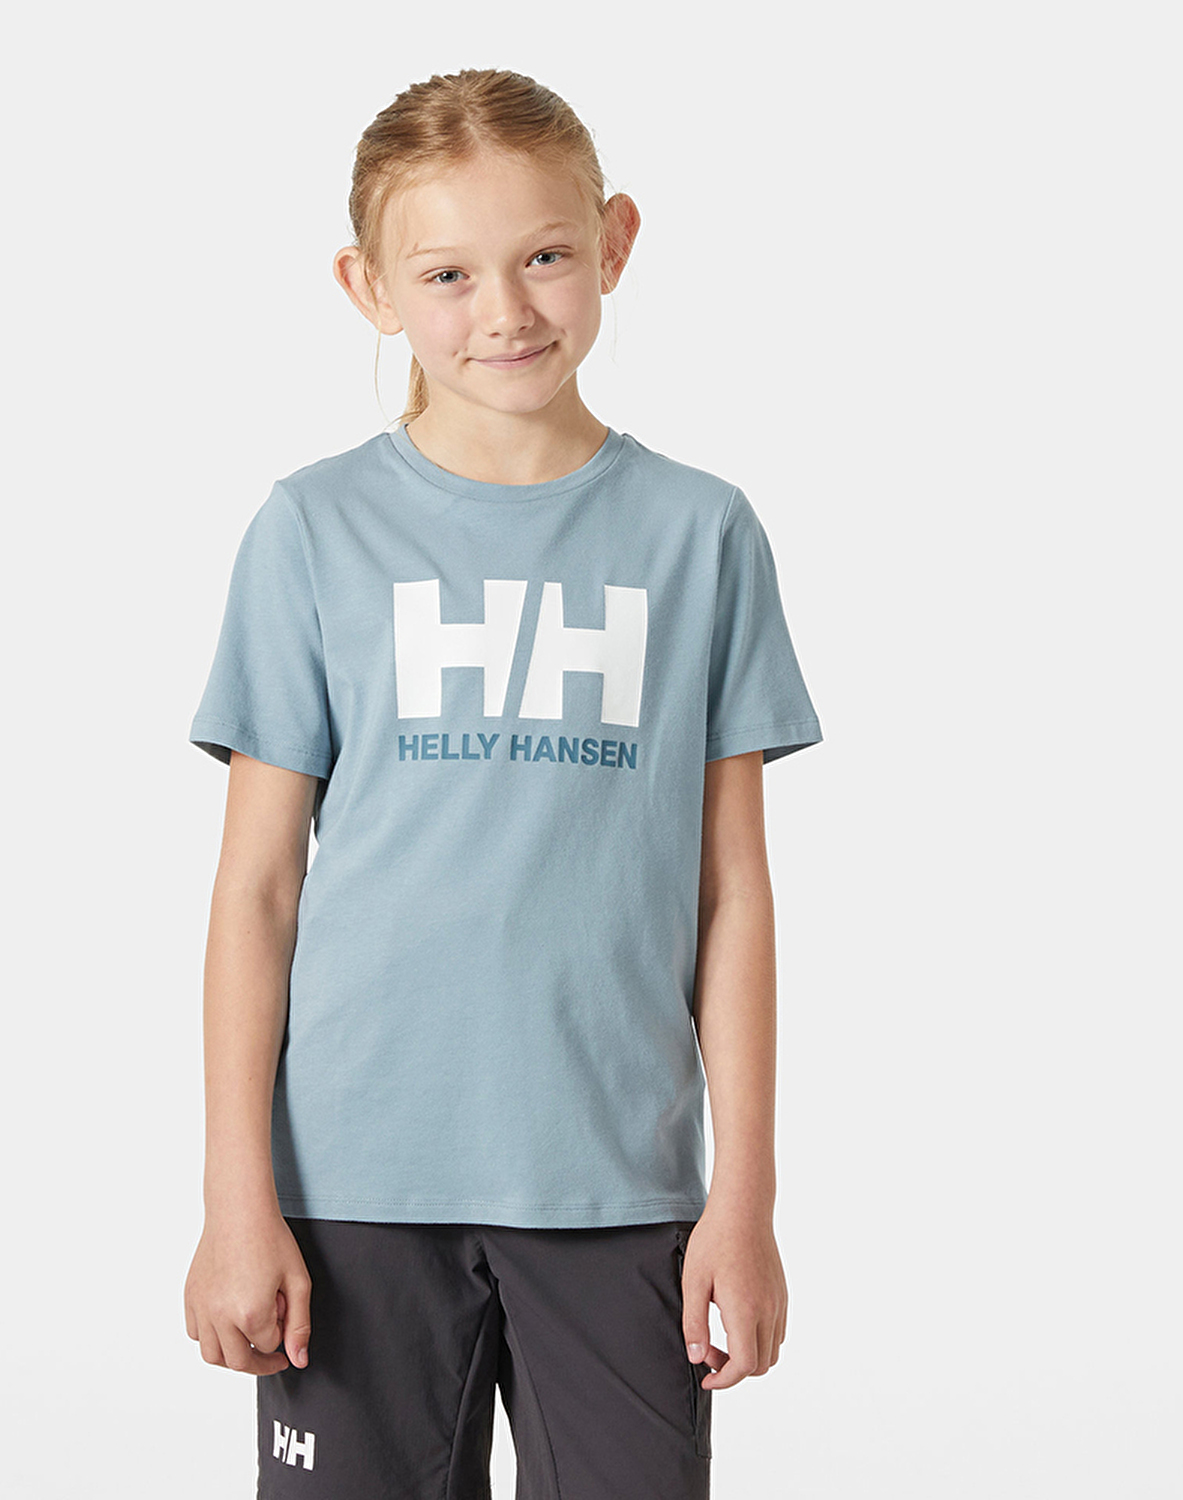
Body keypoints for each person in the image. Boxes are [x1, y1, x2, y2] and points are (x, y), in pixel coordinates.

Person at [182, 66, 825, 1500]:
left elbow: (732, 893)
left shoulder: (702, 535)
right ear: (369, 287)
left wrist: (745, 1200)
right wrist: (236, 1200)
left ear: (616, 241)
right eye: (448, 274)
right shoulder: (312, 531)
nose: (506, 310)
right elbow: (259, 891)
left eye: (544, 255)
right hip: (351, 1188)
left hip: (616, 1184)